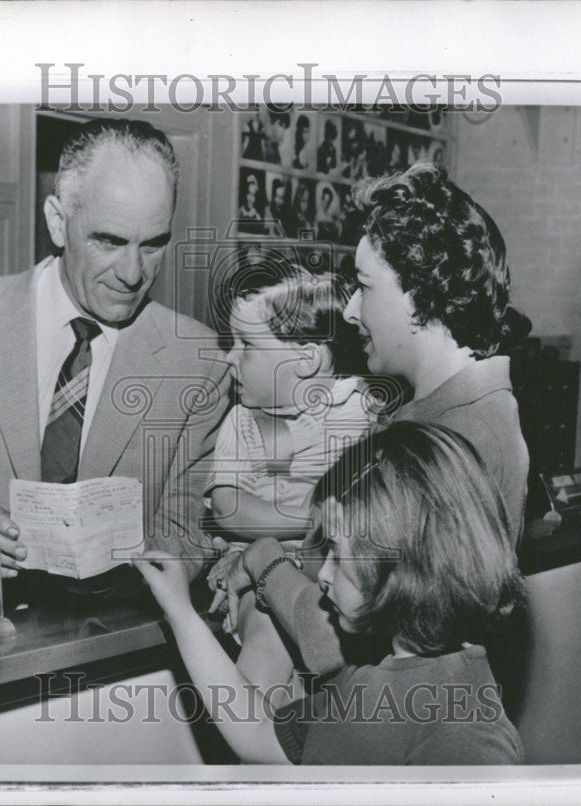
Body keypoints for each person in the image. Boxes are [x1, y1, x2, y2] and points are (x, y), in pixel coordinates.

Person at [0, 118, 231, 587]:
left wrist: (147, 569)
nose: (132, 273)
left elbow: (187, 533)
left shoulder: (197, 361)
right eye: (109, 240)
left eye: (154, 244)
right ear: (58, 222)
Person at [215, 162, 530, 676]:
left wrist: (265, 562)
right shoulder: (452, 408)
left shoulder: (455, 436)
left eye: (365, 286)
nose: (350, 310)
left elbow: (345, 643)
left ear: (419, 293)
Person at [134, 421, 525, 765]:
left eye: (337, 553)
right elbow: (256, 734)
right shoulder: (371, 673)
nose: (322, 574)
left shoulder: (465, 738)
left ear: (397, 564)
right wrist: (179, 611)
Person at [204, 262, 377, 699]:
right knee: (266, 655)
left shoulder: (358, 405)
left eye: (247, 345)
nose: (229, 357)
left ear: (307, 358)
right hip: (257, 573)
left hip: (339, 576)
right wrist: (318, 521)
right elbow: (227, 507)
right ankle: (250, 751)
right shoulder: (242, 419)